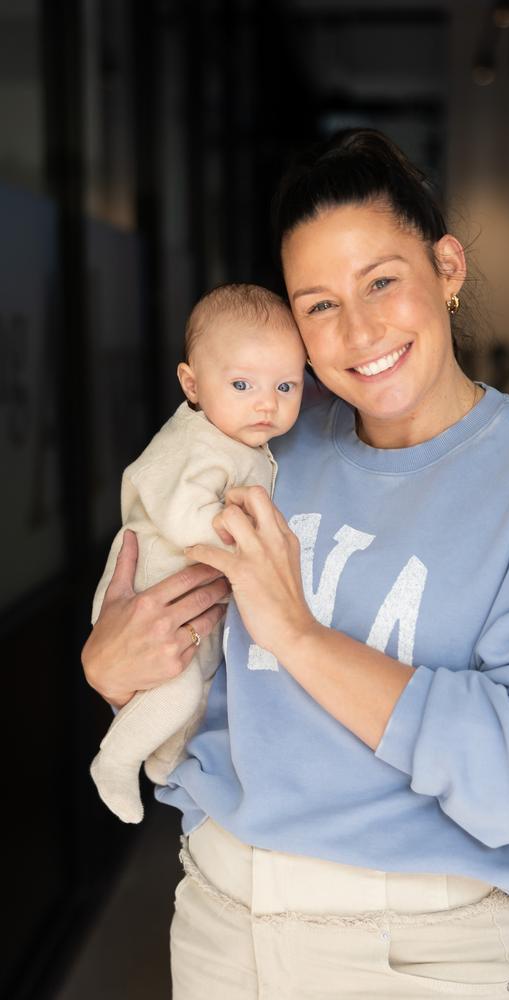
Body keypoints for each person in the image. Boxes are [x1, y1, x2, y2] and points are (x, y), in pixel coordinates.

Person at [82, 130, 509, 998]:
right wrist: (110, 666)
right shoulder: (267, 443)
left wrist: (301, 636)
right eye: (317, 305)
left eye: (381, 281)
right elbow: (173, 611)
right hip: (219, 926)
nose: (358, 331)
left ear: (447, 268)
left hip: (424, 953)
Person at [89, 283, 305, 824]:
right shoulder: (193, 442)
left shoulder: (243, 440)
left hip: (191, 602)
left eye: (286, 385)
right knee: (182, 691)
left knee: (198, 686)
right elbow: (181, 513)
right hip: (147, 590)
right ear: (191, 384)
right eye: (241, 384)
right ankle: (114, 762)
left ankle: (165, 764)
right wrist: (241, 538)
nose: (267, 403)